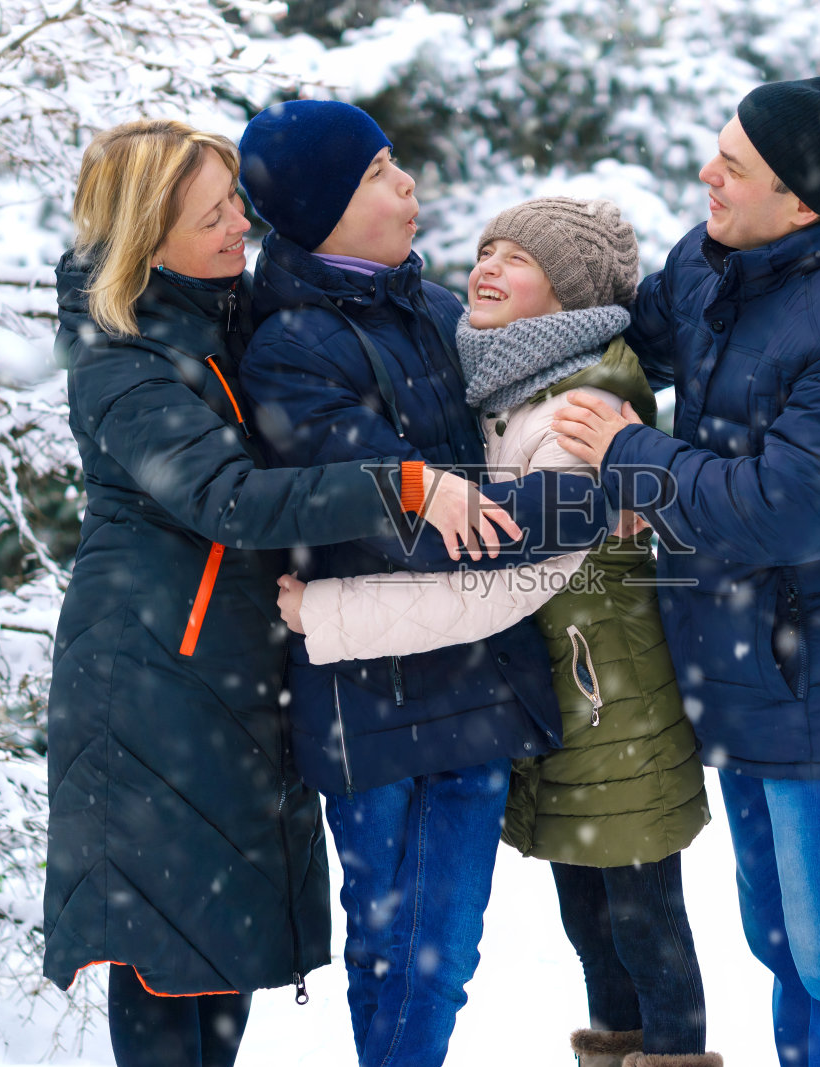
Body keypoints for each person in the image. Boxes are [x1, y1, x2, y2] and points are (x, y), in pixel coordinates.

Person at [43, 118, 523, 1067]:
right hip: (149, 681)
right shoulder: (124, 356)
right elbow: (224, 497)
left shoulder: (223, 312)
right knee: (160, 953)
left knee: (221, 948)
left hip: (228, 672)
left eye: (236, 203)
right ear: (147, 237)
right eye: (211, 215)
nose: (239, 227)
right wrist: (404, 483)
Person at [554, 75, 820, 1067]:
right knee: (782, 943)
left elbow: (785, 509)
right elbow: (625, 336)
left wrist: (632, 453)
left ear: (801, 203)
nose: (704, 174)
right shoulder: (719, 258)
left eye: (732, 166)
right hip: (742, 665)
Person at [276, 198, 719, 1067]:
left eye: (517, 258)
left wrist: (324, 613)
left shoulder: (574, 410)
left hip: (611, 706)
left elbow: (505, 582)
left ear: (570, 293)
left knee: (645, 926)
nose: (485, 267)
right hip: (564, 698)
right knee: (596, 929)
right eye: (485, 248)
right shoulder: (506, 380)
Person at [234, 102, 614, 1067]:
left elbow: (548, 393)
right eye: (375, 175)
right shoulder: (289, 346)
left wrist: (603, 467)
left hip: (478, 674)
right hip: (371, 692)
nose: (406, 185)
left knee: (442, 952)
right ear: (321, 211)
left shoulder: (440, 309)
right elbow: (407, 518)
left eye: (397, 163)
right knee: (394, 946)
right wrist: (571, 511)